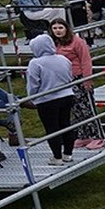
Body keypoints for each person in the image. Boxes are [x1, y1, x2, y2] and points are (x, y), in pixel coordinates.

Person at [49, 20, 105, 150]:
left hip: (79, 78)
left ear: (66, 28)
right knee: (75, 109)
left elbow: (86, 60)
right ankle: (84, 135)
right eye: (55, 28)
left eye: (60, 28)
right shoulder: (53, 43)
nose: (58, 31)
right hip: (64, 81)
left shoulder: (77, 42)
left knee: (87, 108)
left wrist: (87, 79)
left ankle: (98, 136)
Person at [26, 34, 78, 165]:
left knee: (52, 128)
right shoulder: (63, 59)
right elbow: (69, 75)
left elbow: (33, 83)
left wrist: (32, 97)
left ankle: (57, 157)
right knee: (65, 124)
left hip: (47, 99)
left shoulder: (35, 63)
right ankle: (68, 154)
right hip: (67, 95)